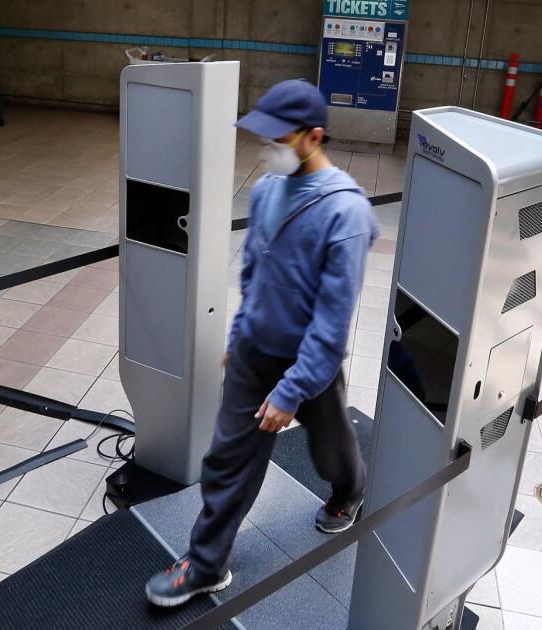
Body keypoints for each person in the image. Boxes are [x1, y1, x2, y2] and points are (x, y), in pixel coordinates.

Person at [145, 79, 378, 607]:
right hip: (255, 353)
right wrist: (239, 334)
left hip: (307, 362)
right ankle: (207, 564)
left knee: (329, 444)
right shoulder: (269, 189)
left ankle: (350, 490)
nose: (266, 148)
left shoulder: (346, 215)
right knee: (227, 459)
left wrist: (292, 390)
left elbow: (332, 321)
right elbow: (254, 271)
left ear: (314, 136)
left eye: (278, 138)